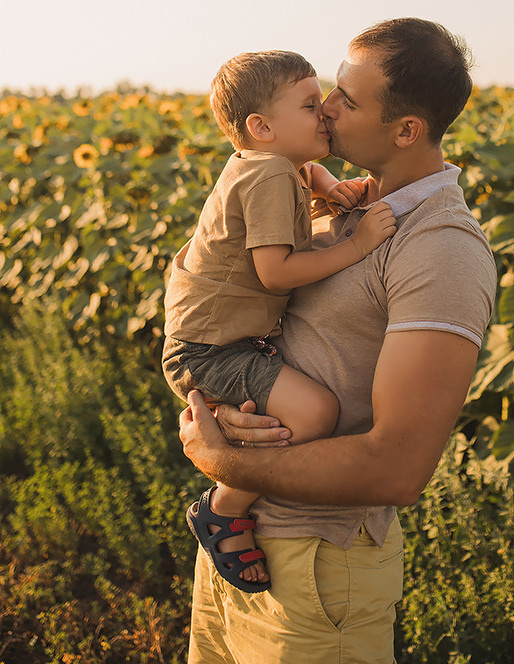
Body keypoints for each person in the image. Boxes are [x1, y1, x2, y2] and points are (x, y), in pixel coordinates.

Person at [179, 18, 498, 664]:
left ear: (406, 130)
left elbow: (399, 467)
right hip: (237, 550)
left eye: (347, 100)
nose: (325, 106)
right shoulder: (347, 203)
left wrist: (224, 465)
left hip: (319, 579)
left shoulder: (441, 250)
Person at [162, 49, 396, 592]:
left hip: (212, 337)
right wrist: (357, 244)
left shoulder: (271, 163)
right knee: (314, 413)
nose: (327, 113)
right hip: (211, 350)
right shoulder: (269, 174)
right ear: (261, 126)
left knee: (292, 413)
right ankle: (223, 506)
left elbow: (304, 168)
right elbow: (275, 272)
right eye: (311, 105)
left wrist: (322, 183)